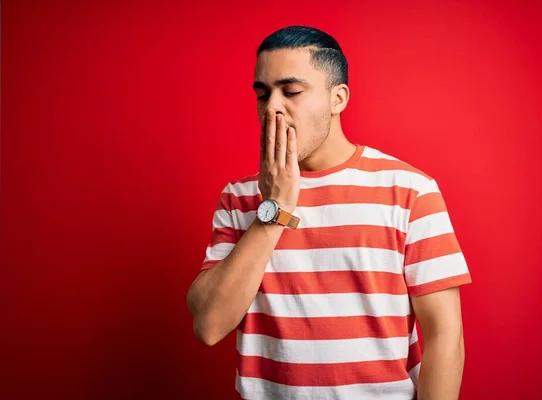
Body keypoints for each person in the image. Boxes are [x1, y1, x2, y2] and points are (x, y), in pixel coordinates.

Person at [186, 25, 472, 400]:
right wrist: (275, 209)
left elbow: (445, 336)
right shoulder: (238, 198)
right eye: (263, 94)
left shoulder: (410, 191)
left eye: (290, 91)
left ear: (338, 98)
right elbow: (208, 325)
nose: (272, 107)